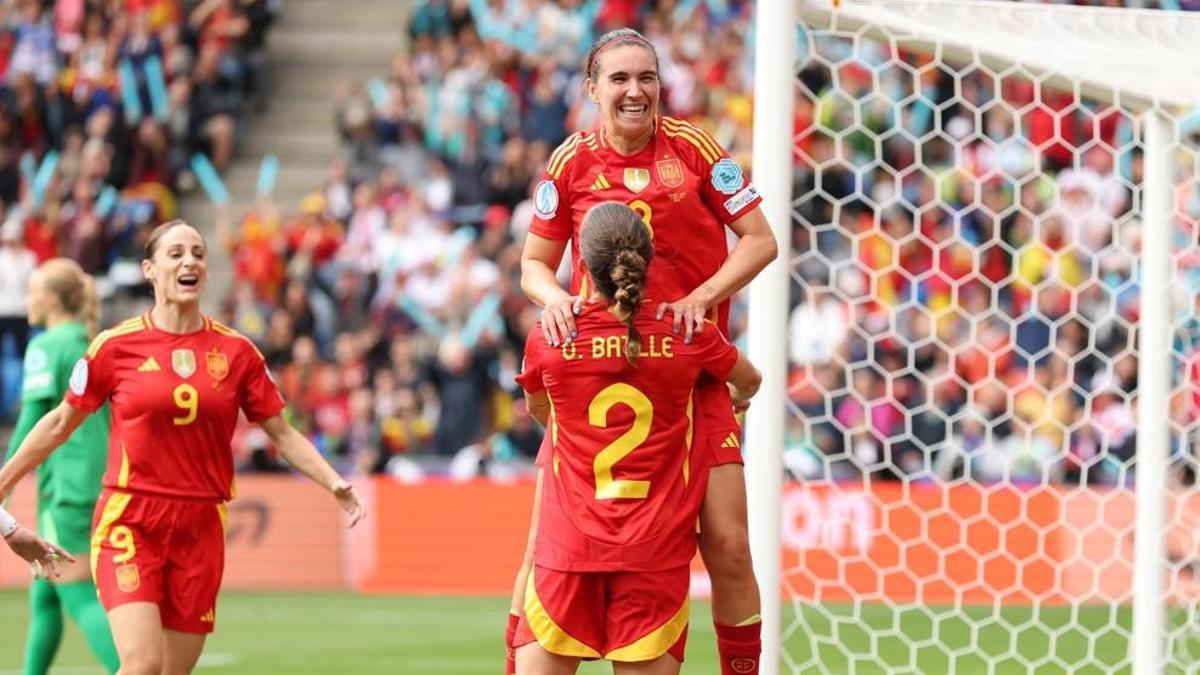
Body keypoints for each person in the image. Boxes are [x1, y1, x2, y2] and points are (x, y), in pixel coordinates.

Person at [509, 27, 778, 675]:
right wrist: (556, 303)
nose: (636, 91)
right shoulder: (570, 161)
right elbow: (533, 265)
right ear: (592, 90)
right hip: (595, 367)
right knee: (543, 546)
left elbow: (760, 240)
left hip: (693, 366)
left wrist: (701, 297)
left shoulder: (696, 150)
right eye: (621, 79)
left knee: (731, 545)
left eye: (647, 78)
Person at [0, 220, 365, 675]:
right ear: (150, 270)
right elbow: (57, 423)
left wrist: (333, 481)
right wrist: (2, 483)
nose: (189, 261)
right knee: (141, 666)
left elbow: (282, 432)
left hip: (202, 526)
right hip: (131, 520)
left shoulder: (238, 353)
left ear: (207, 271)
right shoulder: (114, 347)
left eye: (197, 252)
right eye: (175, 254)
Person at [512, 202, 762, 674]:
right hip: (654, 553)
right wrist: (733, 397)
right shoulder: (689, 332)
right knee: (732, 550)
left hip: (569, 549)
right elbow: (750, 379)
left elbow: (540, 409)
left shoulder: (550, 338)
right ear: (649, 260)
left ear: (583, 265)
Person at [5, 258, 120, 674]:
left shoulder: (46, 346)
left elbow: (33, 421)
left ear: (51, 298)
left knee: (78, 594)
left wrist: (5, 480)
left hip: (66, 489)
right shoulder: (92, 343)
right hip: (100, 481)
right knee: (46, 597)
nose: (27, 298)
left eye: (32, 289)